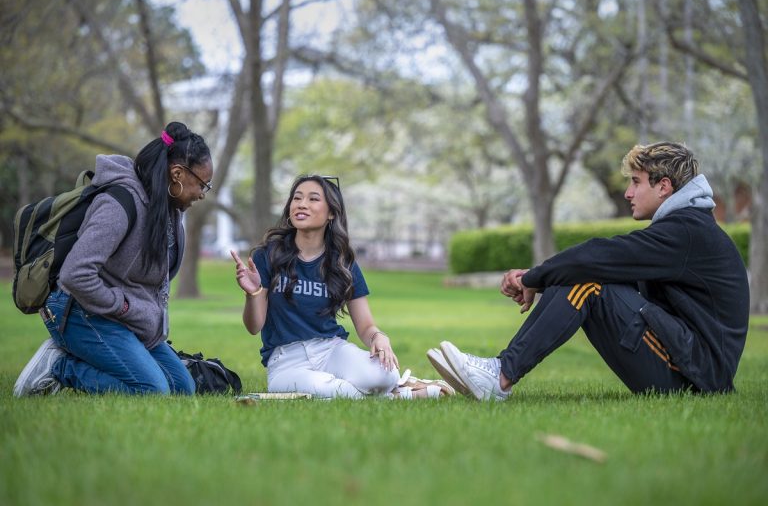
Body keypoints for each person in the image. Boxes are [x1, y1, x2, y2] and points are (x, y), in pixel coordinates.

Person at [432, 142, 750, 400]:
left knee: (586, 278)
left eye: (636, 182)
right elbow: (599, 262)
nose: (628, 193)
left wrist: (532, 278)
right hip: (688, 366)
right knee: (579, 273)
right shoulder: (687, 228)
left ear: (664, 187)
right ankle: (500, 371)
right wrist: (543, 276)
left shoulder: (686, 232)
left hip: (694, 379)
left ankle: (499, 377)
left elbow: (596, 257)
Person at [13, 122, 213, 396]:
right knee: (151, 390)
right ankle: (59, 366)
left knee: (182, 389)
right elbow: (75, 274)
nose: (203, 193)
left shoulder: (168, 211)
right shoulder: (119, 203)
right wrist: (124, 306)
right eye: (202, 184)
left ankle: (98, 359)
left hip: (120, 317)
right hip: (78, 310)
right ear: (177, 174)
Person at [231, 174, 453, 399]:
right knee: (330, 389)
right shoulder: (268, 255)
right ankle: (401, 394)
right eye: (297, 198)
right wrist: (253, 293)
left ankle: (393, 384)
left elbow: (366, 326)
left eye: (313, 199)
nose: (302, 204)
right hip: (286, 360)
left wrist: (379, 337)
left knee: (384, 375)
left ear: (331, 213)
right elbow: (253, 326)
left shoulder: (342, 262)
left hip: (330, 349)